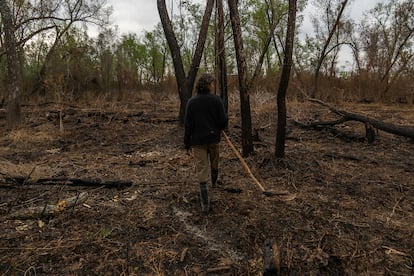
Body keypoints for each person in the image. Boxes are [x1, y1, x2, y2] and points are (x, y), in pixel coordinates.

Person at [184, 73, 228, 214]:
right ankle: (214, 184)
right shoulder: (216, 100)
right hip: (213, 139)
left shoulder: (191, 102)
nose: (213, 86)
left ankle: (205, 204)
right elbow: (223, 121)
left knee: (202, 169)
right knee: (214, 163)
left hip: (197, 141)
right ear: (208, 85)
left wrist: (187, 143)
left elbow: (188, 125)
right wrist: (219, 126)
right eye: (212, 84)